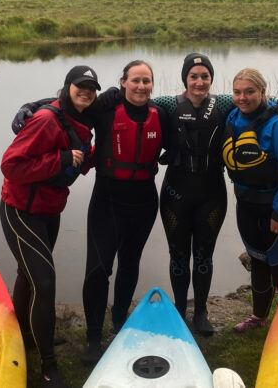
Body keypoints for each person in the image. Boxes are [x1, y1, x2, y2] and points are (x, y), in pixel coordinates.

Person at [153, 53, 278, 336]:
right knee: (178, 256)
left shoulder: (225, 103)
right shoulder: (168, 104)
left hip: (211, 194)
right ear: (185, 79)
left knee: (204, 255)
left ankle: (201, 313)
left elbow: (257, 99)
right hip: (174, 193)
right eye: (193, 76)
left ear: (211, 79)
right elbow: (135, 99)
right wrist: (110, 95)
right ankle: (180, 311)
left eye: (205, 76)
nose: (199, 81)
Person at [0, 65, 100, 388]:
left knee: (27, 276)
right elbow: (11, 165)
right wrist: (59, 159)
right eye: (80, 86)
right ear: (68, 87)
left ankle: (25, 336)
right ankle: (47, 366)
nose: (86, 92)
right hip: (20, 210)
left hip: (49, 211)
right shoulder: (46, 120)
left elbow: (79, 162)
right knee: (44, 282)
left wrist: (108, 156)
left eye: (91, 88)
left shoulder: (83, 122)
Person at [81, 60, 169, 364]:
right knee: (98, 269)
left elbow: (198, 109)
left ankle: (119, 324)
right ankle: (93, 337)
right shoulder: (105, 110)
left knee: (130, 264)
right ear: (123, 82)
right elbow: (70, 106)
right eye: (135, 81)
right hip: (107, 200)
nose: (141, 86)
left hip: (144, 202)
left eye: (147, 81)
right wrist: (34, 106)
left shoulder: (161, 113)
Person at [222, 68, 278, 332]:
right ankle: (259, 318)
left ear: (263, 91)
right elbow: (199, 96)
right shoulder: (232, 116)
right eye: (237, 92)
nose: (242, 97)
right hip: (248, 206)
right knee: (258, 263)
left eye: (250, 92)